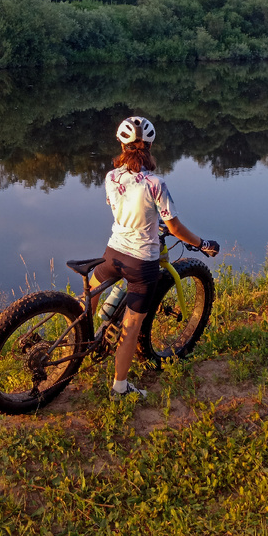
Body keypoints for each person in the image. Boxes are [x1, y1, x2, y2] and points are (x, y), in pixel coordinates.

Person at [94, 116, 219, 400]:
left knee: (91, 291)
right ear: (149, 145)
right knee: (132, 325)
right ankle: (119, 388)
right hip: (142, 262)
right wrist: (201, 244)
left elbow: (119, 208)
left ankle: (80, 342)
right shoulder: (155, 183)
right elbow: (173, 227)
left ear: (122, 144)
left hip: (113, 252)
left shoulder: (111, 177)